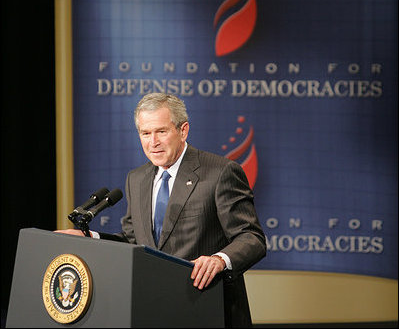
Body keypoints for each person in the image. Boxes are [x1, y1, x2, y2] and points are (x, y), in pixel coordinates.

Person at [57, 93, 266, 327]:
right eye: (145, 133)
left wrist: (219, 259)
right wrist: (89, 238)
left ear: (183, 130)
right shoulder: (136, 179)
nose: (152, 142)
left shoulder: (220, 173)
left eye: (161, 132)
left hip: (208, 308)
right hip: (153, 310)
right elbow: (133, 242)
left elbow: (252, 238)